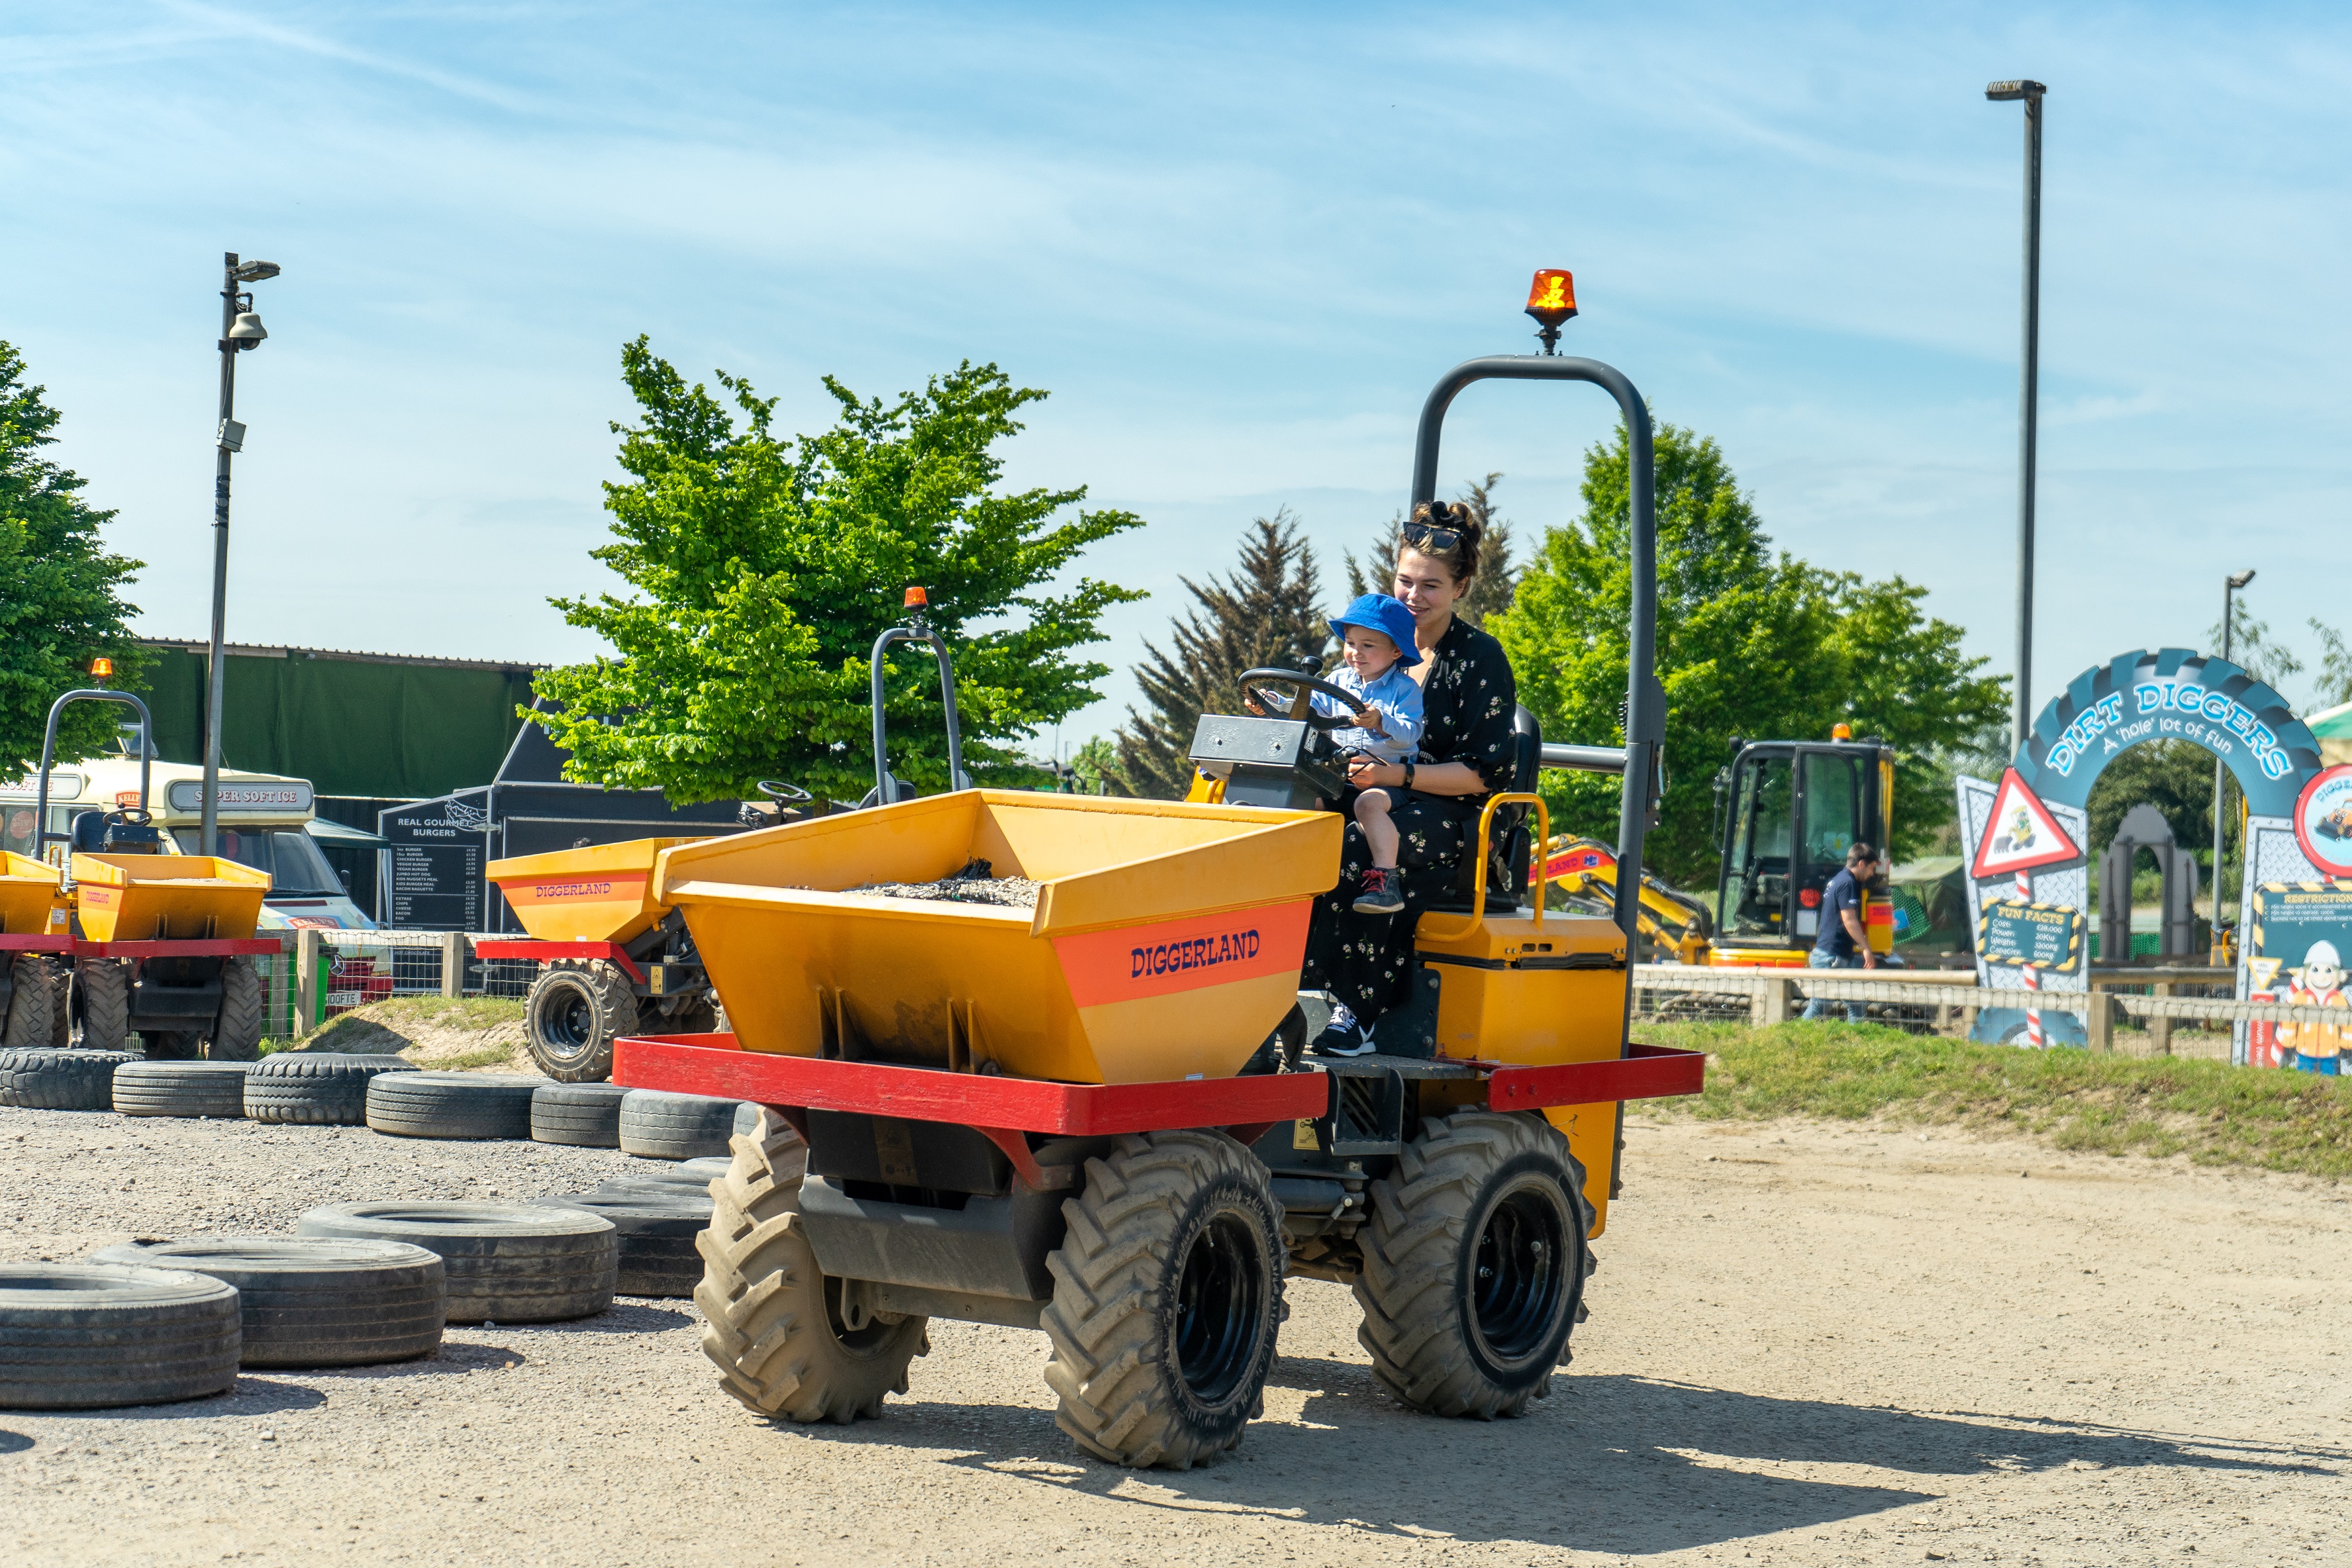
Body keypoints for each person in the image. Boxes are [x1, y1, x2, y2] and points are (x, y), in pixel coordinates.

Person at [1299, 500, 1519, 1056]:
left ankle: (1357, 1012)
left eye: (1431, 585)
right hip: (1371, 790)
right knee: (1293, 828)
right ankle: (1269, 984)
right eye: (1405, 581)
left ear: (1461, 588)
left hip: (1453, 810)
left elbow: (1484, 773)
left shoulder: (1478, 659)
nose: (1413, 596)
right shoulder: (1368, 647)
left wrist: (1399, 773)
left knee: (1358, 843)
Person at [1310, 595, 1426, 917]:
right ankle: (1302, 869)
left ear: (1396, 651)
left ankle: (1386, 883)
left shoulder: (1404, 689)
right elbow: (1310, 710)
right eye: (1350, 643)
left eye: (1368, 645)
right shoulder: (1336, 682)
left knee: (1367, 805)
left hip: (1388, 781)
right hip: (1340, 776)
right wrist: (1273, 702)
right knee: (1306, 797)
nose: (1356, 652)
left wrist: (1381, 722)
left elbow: (1411, 732)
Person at [1801, 841, 1879, 1022]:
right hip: (1831, 956)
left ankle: (1855, 1037)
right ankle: (1792, 1035)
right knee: (1821, 1004)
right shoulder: (1847, 883)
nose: (1872, 874)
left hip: (1833, 954)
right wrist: (1866, 948)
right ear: (1861, 864)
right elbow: (1849, 920)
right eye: (1872, 868)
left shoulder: (1839, 879)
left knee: (1855, 1005)